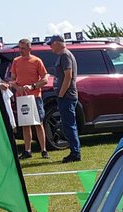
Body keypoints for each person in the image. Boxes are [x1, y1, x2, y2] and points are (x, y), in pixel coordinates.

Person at [9, 38, 48, 159]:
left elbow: (45, 79)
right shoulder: (16, 61)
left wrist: (32, 86)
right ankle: (27, 150)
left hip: (35, 96)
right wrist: (17, 87)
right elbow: (12, 80)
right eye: (20, 48)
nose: (21, 51)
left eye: (23, 48)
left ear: (29, 49)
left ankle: (43, 150)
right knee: (26, 124)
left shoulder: (37, 61)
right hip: (22, 97)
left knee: (38, 123)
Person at [49, 35, 81, 164]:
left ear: (57, 43)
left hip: (67, 96)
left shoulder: (65, 55)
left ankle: (75, 152)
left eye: (51, 44)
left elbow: (68, 76)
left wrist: (61, 94)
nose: (50, 46)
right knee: (68, 124)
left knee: (69, 125)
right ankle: (74, 150)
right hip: (65, 96)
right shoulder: (63, 56)